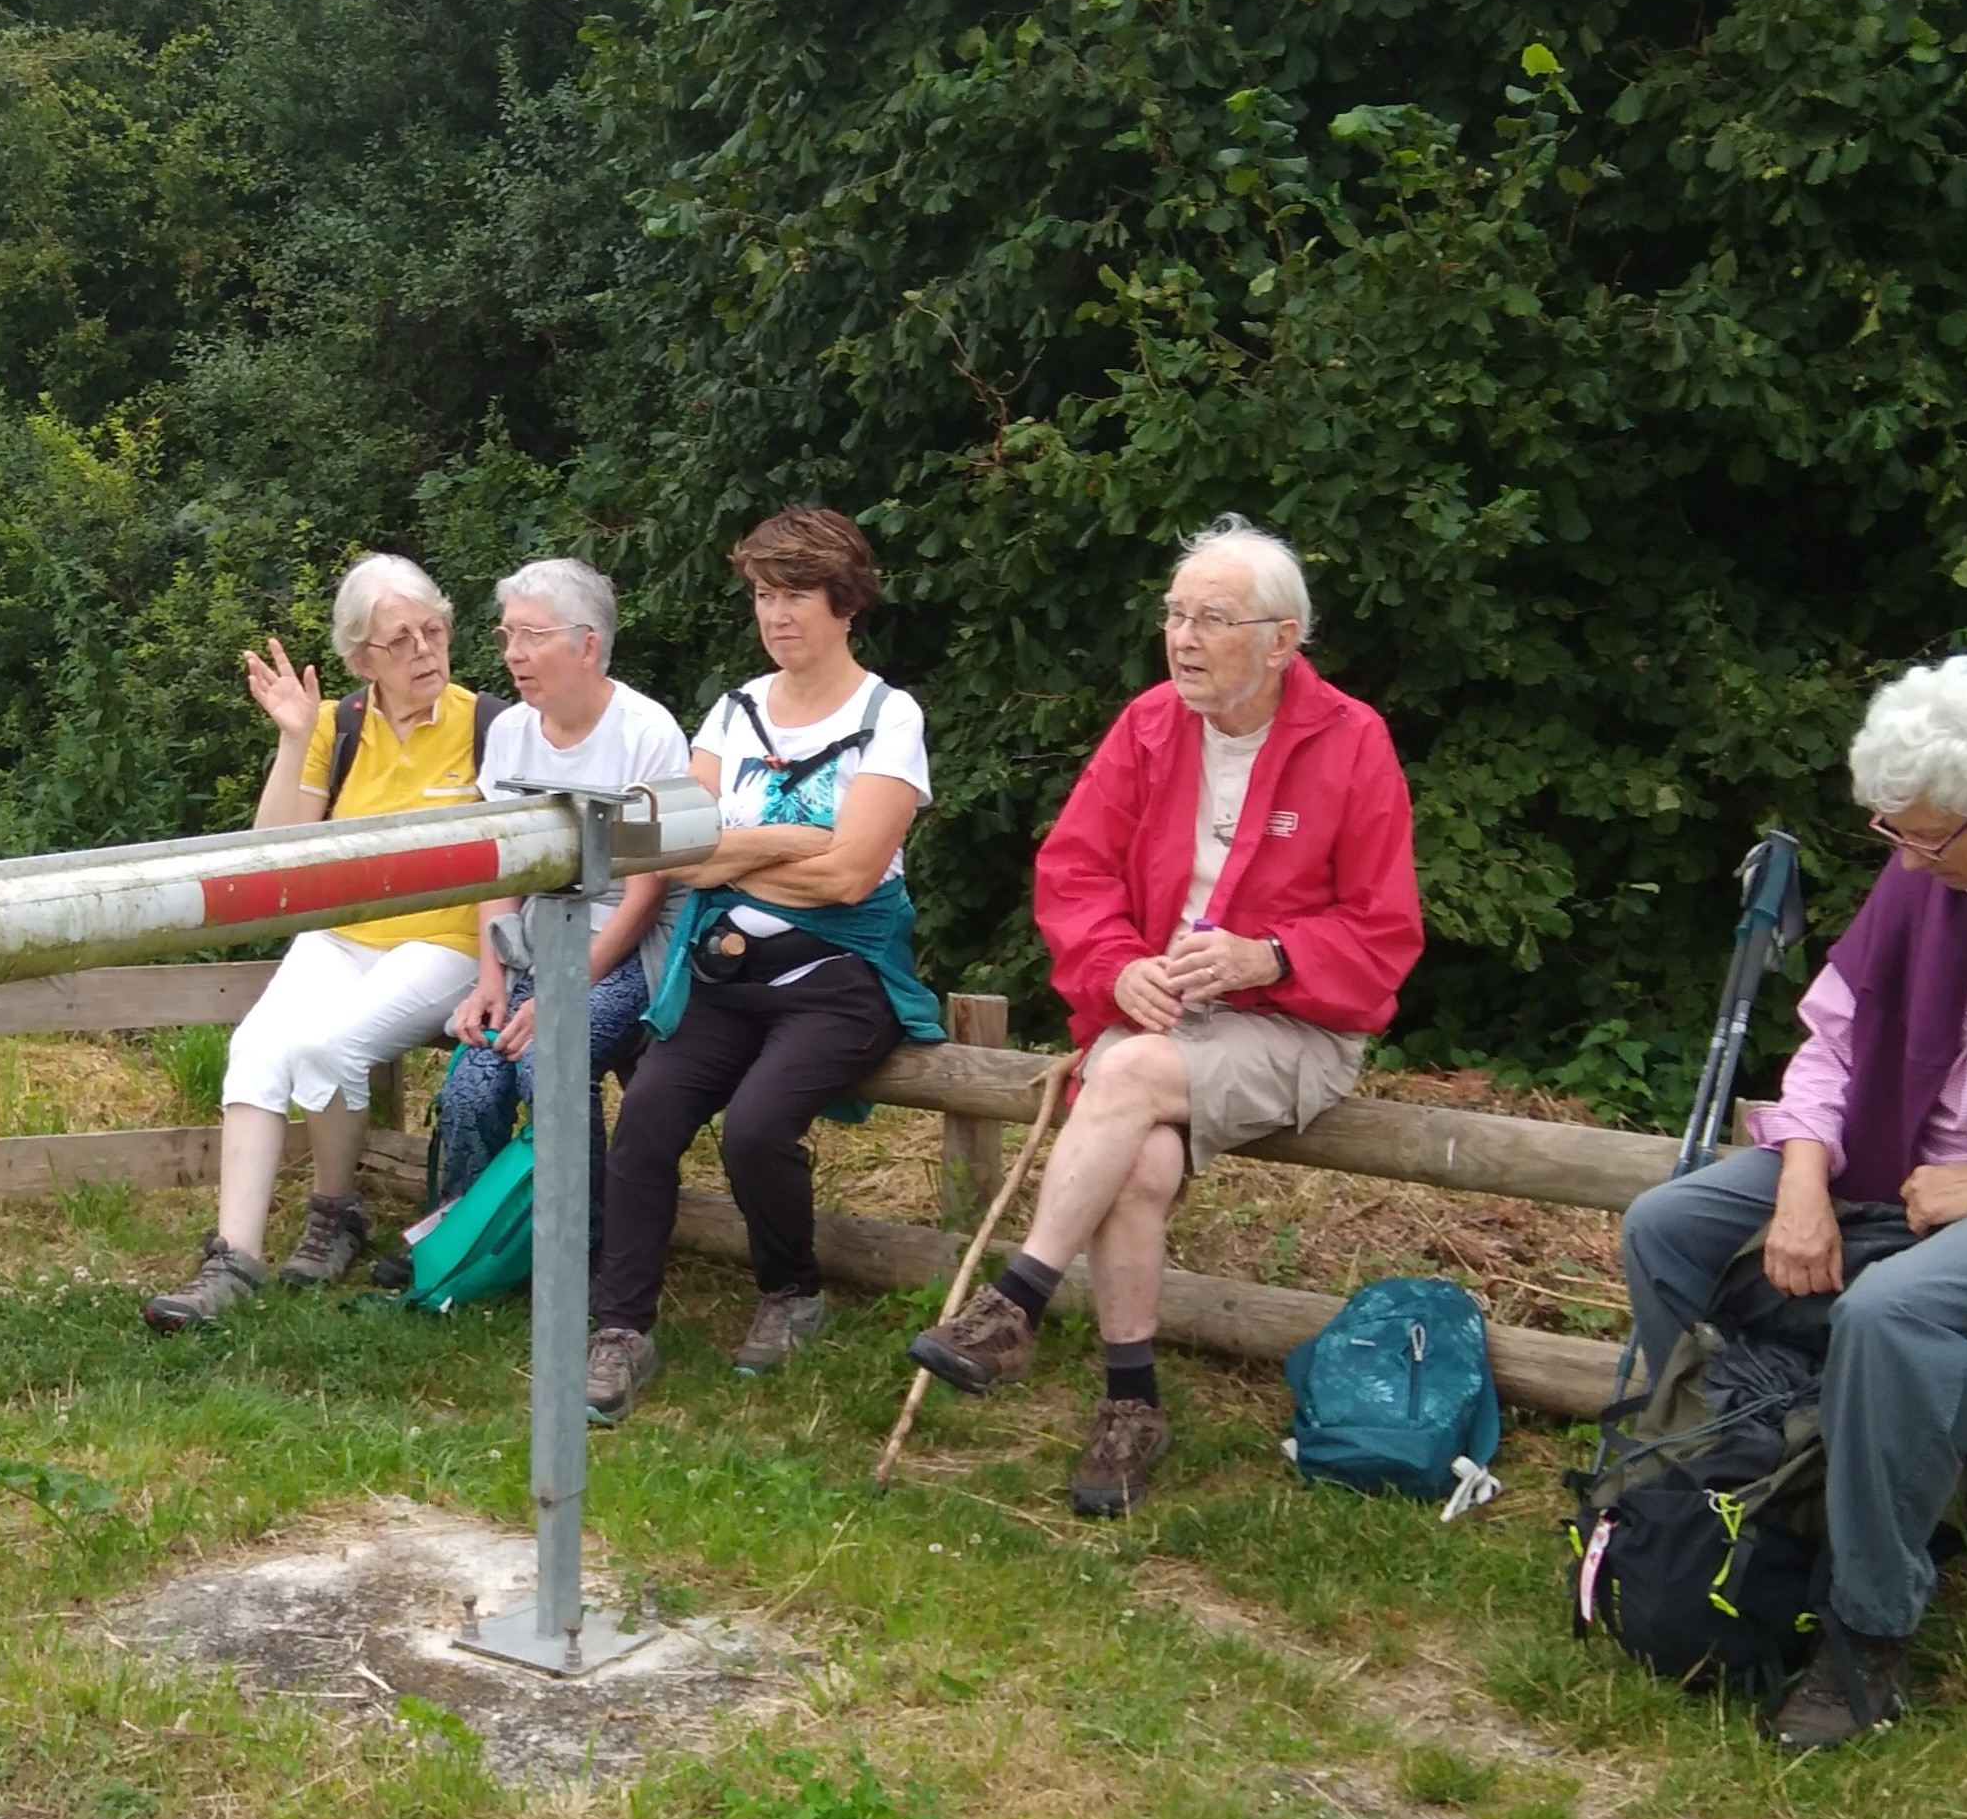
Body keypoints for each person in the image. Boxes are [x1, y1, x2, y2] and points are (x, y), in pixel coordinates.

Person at [1621, 654, 1967, 1752]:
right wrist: (1803, 1173)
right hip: (1890, 1167)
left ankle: (1870, 1632)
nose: (1903, 859)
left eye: (1928, 837)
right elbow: (1834, 1042)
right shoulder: (1928, 867)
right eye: (1891, 831)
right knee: (1670, 1224)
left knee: (1891, 1312)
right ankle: (1721, 1487)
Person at [906, 515, 1423, 1516]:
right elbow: (1074, 869)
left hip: (1298, 1022)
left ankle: (1016, 1301)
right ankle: (1131, 1403)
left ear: (1281, 639)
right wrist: (1119, 965)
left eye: (1212, 619)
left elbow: (1385, 930)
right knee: (1137, 1164)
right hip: (1158, 1015)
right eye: (1175, 614)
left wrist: (1266, 954)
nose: (1182, 638)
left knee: (1128, 1074)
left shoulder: (1350, 741)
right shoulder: (1149, 724)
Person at [585, 507, 939, 1421]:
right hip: (723, 973)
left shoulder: (888, 715)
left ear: (845, 603)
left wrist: (735, 845)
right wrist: (795, 838)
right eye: (763, 596)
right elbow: (662, 850)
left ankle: (793, 1293)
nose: (777, 615)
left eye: (796, 596)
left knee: (753, 1131)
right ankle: (620, 1330)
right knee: (647, 1124)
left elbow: (857, 873)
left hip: (838, 982)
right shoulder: (733, 709)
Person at [143, 553, 491, 1328]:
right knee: (258, 1049)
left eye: (433, 630)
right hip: (340, 934)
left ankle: (336, 1213)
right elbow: (273, 853)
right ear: (363, 658)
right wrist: (294, 738)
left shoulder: (490, 724)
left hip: (445, 939)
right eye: (400, 640)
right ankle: (230, 1260)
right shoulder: (339, 726)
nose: (425, 649)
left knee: (329, 1048)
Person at [434, 559, 691, 1246]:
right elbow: (498, 872)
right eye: (506, 635)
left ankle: (583, 1245)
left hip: (627, 948)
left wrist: (565, 991)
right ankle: (463, 1242)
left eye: (532, 635)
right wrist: (491, 980)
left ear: (587, 644)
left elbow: (648, 890)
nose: (514, 654)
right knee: (470, 1084)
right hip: (532, 946)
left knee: (550, 1060)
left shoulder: (648, 732)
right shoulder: (512, 732)